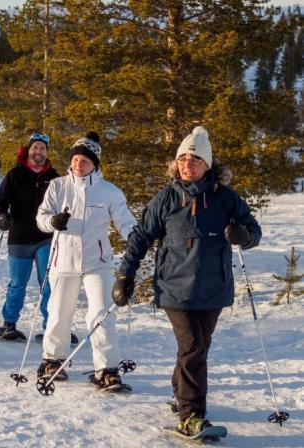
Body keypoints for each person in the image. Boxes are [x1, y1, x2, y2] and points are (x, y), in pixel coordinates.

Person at [112, 126, 262, 434]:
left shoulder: (226, 199)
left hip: (213, 287)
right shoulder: (166, 199)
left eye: (193, 160)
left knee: (197, 348)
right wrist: (126, 273)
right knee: (193, 346)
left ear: (207, 165)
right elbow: (141, 236)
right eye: (182, 159)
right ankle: (192, 415)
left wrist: (244, 235)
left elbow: (254, 232)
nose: (186, 165)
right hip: (174, 288)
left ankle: (181, 391)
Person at [35, 131, 136, 391]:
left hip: (97, 261)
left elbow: (125, 221)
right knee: (58, 312)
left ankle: (107, 369)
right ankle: (52, 360)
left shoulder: (109, 192)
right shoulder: (58, 186)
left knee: (101, 313)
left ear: (95, 165)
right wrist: (52, 222)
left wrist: (136, 237)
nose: (79, 165)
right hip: (63, 261)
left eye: (86, 161)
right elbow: (42, 217)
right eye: (76, 160)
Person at [0, 132, 67, 342]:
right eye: (35, 148)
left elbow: (64, 205)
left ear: (47, 152)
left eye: (42, 148)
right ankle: (9, 324)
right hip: (19, 237)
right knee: (18, 283)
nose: (38, 152)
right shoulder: (15, 174)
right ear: (29, 150)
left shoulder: (54, 177)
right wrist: (1, 217)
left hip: (46, 238)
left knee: (48, 283)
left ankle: (50, 326)